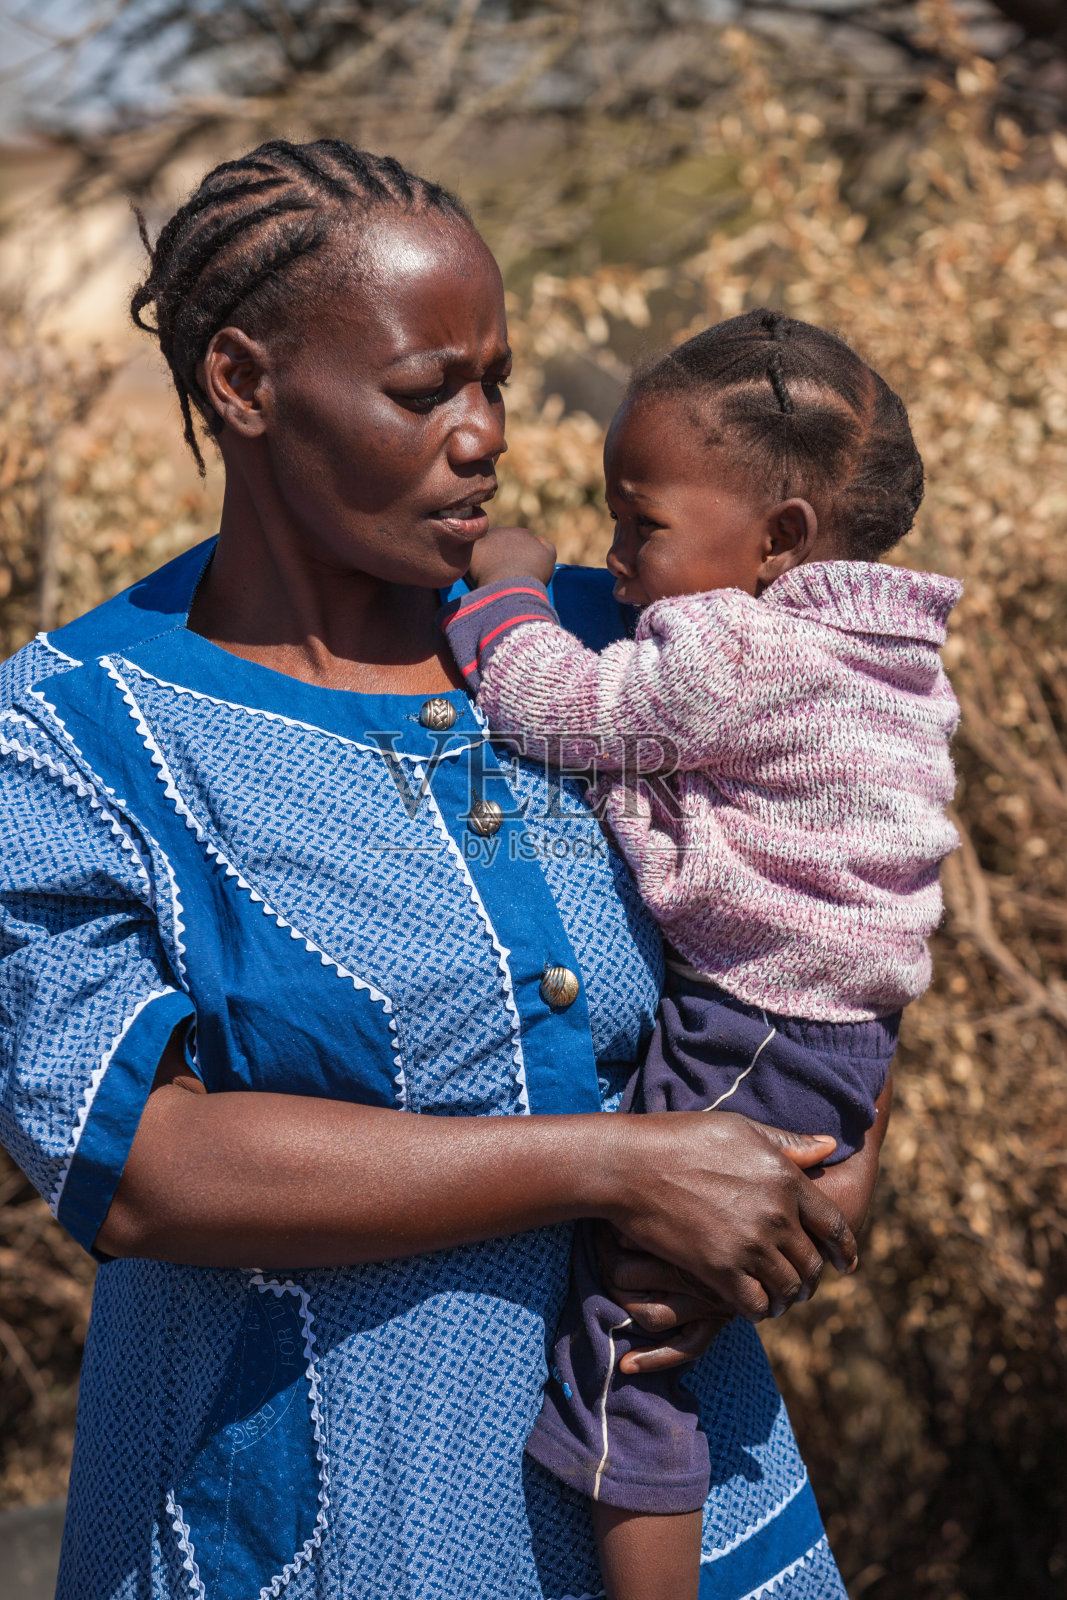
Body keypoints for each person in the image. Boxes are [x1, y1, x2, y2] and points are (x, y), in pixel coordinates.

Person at [0, 142, 866, 1600]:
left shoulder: (623, 646)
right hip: (323, 1536)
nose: (486, 437)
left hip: (693, 1524)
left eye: (497, 382)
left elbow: (843, 876)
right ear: (243, 384)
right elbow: (139, 1160)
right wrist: (621, 1166)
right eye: (424, 392)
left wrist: (814, 1174)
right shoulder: (80, 731)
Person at [440, 311, 960, 1600]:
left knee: (633, 1337)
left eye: (641, 524)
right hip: (834, 1031)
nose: (617, 562)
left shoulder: (745, 643)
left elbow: (568, 711)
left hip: (756, 1026)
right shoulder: (888, 646)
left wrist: (505, 590)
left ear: (779, 539)